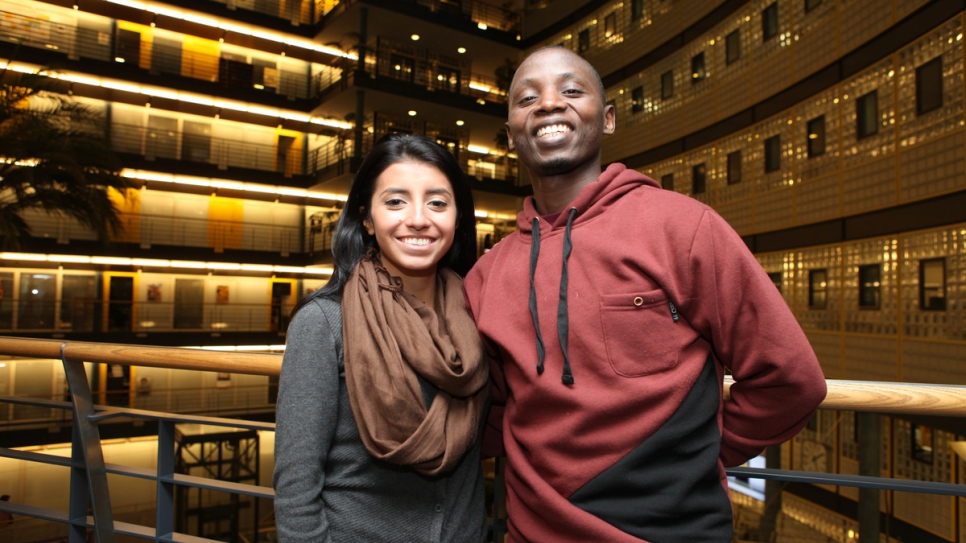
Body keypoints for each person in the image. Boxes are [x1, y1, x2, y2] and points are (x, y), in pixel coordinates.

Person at [462, 46, 828, 542]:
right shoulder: (486, 276)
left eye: (571, 91)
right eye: (527, 99)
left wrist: (692, 455)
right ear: (510, 136)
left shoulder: (681, 226)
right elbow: (490, 414)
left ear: (608, 119)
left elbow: (790, 380)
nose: (549, 105)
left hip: (675, 531)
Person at [273, 134, 489, 543]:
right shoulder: (323, 322)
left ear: (458, 218)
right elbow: (296, 487)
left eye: (438, 202)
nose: (419, 218)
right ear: (367, 219)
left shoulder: (479, 314)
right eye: (395, 201)